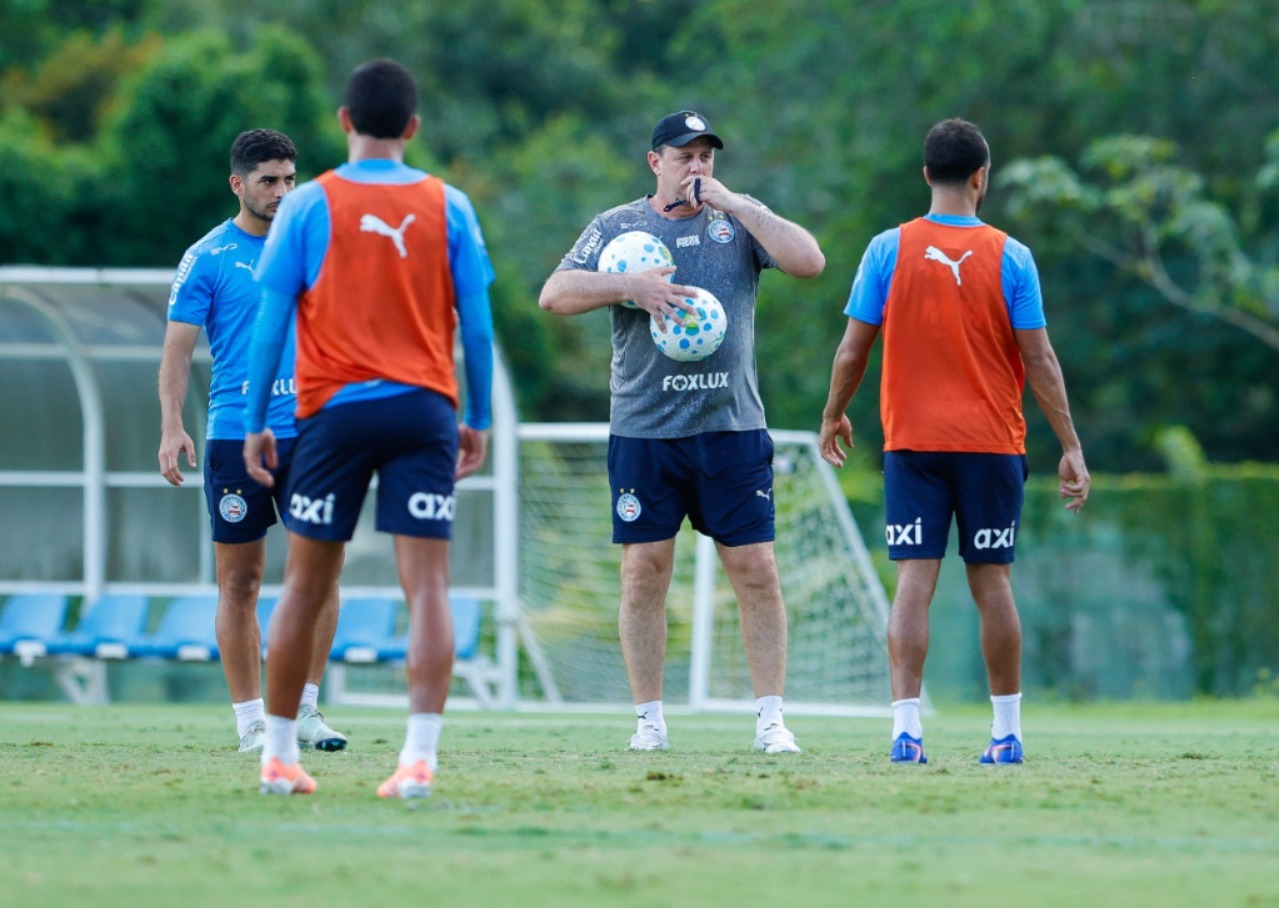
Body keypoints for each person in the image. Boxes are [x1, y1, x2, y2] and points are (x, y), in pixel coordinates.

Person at [243, 58, 495, 797]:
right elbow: (475, 327)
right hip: (423, 411)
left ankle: (279, 759)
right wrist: (473, 418)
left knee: (303, 587)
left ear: (344, 122)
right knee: (429, 589)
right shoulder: (448, 203)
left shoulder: (307, 204)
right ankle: (418, 759)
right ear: (412, 129)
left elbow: (270, 323)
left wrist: (258, 419)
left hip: (333, 412)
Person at [539, 110, 825, 754]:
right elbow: (553, 296)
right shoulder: (617, 227)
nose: (697, 167)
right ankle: (649, 721)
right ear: (655, 162)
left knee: (756, 569)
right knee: (644, 572)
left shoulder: (737, 221)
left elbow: (810, 261)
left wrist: (739, 203)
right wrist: (627, 287)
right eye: (684, 156)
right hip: (644, 433)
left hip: (731, 428)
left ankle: (771, 719)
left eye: (706, 157)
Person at [817, 117, 1090, 765]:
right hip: (992, 444)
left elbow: (852, 348)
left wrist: (833, 414)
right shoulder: (1011, 255)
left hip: (912, 444)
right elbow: (1041, 359)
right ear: (980, 178)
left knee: (913, 580)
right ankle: (1006, 735)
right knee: (991, 583)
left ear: (925, 176)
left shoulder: (887, 249)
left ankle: (905, 733)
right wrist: (1070, 444)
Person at [159, 128, 347, 754]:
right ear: (238, 183)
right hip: (236, 435)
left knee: (319, 573)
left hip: (313, 433)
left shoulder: (317, 246)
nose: (282, 191)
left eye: (290, 179)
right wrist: (170, 424)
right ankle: (251, 723)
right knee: (240, 582)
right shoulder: (207, 256)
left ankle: (308, 711)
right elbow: (178, 351)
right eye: (269, 180)